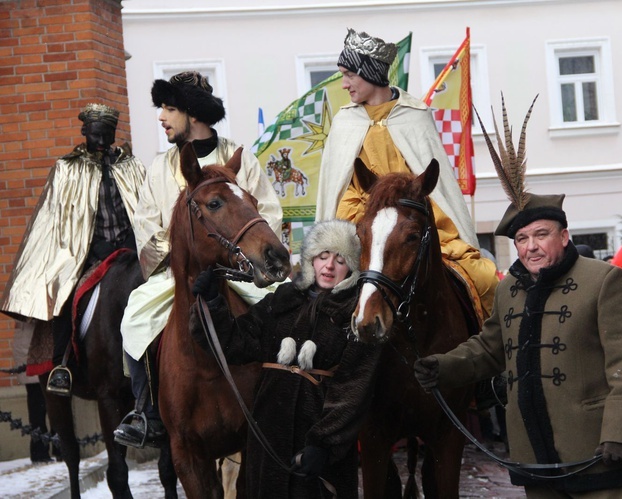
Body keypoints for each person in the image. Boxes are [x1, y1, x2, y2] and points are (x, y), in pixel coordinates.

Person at [414, 193, 622, 498]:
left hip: (596, 451)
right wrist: (443, 366)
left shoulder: (604, 280)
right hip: (533, 456)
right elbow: (489, 349)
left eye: (541, 235)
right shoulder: (507, 290)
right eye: (522, 238)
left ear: (564, 236)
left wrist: (621, 434)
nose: (531, 246)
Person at [114, 71, 283, 447]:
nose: (161, 118)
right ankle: (147, 411)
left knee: (286, 310)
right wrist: (183, 252)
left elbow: (267, 212)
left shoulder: (239, 156)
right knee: (135, 317)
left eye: (169, 108)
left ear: (192, 114)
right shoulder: (160, 167)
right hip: (180, 276)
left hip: (241, 273)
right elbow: (145, 223)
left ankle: (288, 401)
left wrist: (243, 255)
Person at [188, 219, 380, 498]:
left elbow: (353, 390)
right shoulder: (282, 301)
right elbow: (236, 342)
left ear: (351, 268)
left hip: (316, 450)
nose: (329, 266)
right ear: (311, 259)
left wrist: (323, 445)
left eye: (340, 260)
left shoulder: (355, 317)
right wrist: (213, 302)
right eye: (323, 256)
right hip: (268, 438)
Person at [316, 28, 498, 320]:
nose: (344, 84)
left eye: (349, 74)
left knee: (486, 278)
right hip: (363, 224)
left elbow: (436, 189)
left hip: (418, 221)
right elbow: (344, 189)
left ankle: (487, 348)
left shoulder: (415, 116)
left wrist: (411, 218)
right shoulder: (344, 123)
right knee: (325, 293)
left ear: (371, 72)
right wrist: (363, 225)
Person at [0, 103, 145, 395]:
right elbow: (54, 221)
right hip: (89, 256)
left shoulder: (132, 166)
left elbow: (145, 211)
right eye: (96, 134)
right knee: (65, 300)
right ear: (84, 131)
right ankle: (61, 365)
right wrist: (88, 249)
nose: (102, 141)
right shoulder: (67, 168)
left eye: (108, 134)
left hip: (132, 254)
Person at [12, 320, 53, 463]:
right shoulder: (25, 302)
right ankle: (40, 451)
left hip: (48, 344)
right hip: (30, 347)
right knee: (38, 405)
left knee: (56, 401)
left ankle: (60, 447)